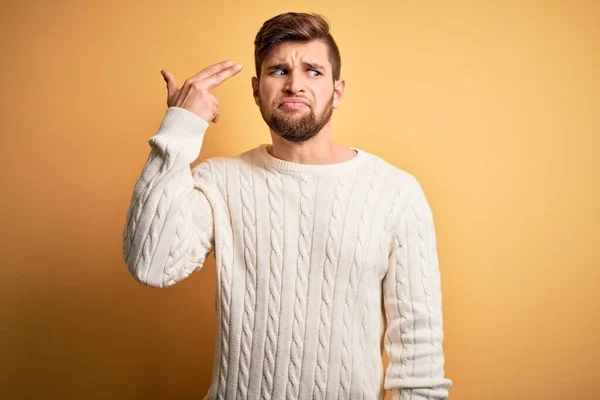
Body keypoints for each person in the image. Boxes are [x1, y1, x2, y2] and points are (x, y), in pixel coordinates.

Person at [122, 11, 452, 400]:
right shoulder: (220, 182)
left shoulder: (396, 192)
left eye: (313, 71)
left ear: (338, 90)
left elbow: (419, 353)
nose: (295, 84)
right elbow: (152, 263)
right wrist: (180, 127)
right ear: (256, 90)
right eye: (279, 71)